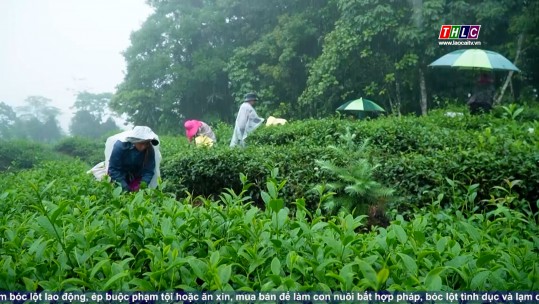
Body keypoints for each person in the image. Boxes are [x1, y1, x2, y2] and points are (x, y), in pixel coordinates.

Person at [106, 126, 161, 192]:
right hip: (120, 175)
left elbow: (148, 171)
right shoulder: (120, 146)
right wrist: (124, 187)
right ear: (134, 141)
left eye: (146, 143)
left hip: (137, 175)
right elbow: (114, 169)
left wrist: (142, 185)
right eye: (141, 143)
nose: (144, 147)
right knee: (120, 192)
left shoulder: (149, 149)